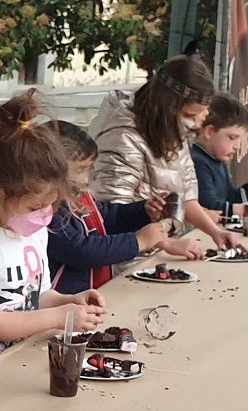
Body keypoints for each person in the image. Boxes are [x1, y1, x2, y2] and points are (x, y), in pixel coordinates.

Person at [0, 90, 108, 372]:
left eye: (51, 205)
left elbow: (36, 295)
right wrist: (57, 317)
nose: (45, 215)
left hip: (21, 358)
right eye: (36, 206)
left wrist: (67, 301)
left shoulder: (34, 229)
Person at [89, 55, 241, 250]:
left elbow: (185, 195)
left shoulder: (172, 129)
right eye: (189, 115)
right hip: (127, 256)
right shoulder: (122, 138)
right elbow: (113, 213)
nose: (194, 124)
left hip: (155, 250)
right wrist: (167, 244)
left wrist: (215, 232)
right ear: (168, 107)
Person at [46, 120, 204, 296]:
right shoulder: (47, 213)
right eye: (79, 170)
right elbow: (80, 251)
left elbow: (109, 218)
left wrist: (143, 211)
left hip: (94, 294)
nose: (86, 179)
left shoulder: (79, 197)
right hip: (65, 302)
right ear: (51, 169)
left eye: (89, 169)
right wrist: (138, 242)